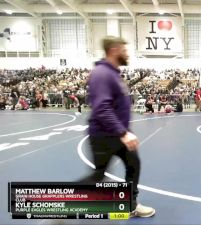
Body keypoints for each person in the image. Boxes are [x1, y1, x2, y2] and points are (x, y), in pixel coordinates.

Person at [80, 36, 155, 218]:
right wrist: (123, 132)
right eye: (124, 49)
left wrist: (124, 132)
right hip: (105, 136)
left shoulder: (113, 73)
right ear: (114, 50)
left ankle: (130, 205)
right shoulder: (102, 74)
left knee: (133, 164)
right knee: (98, 176)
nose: (126, 53)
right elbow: (102, 108)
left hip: (116, 135)